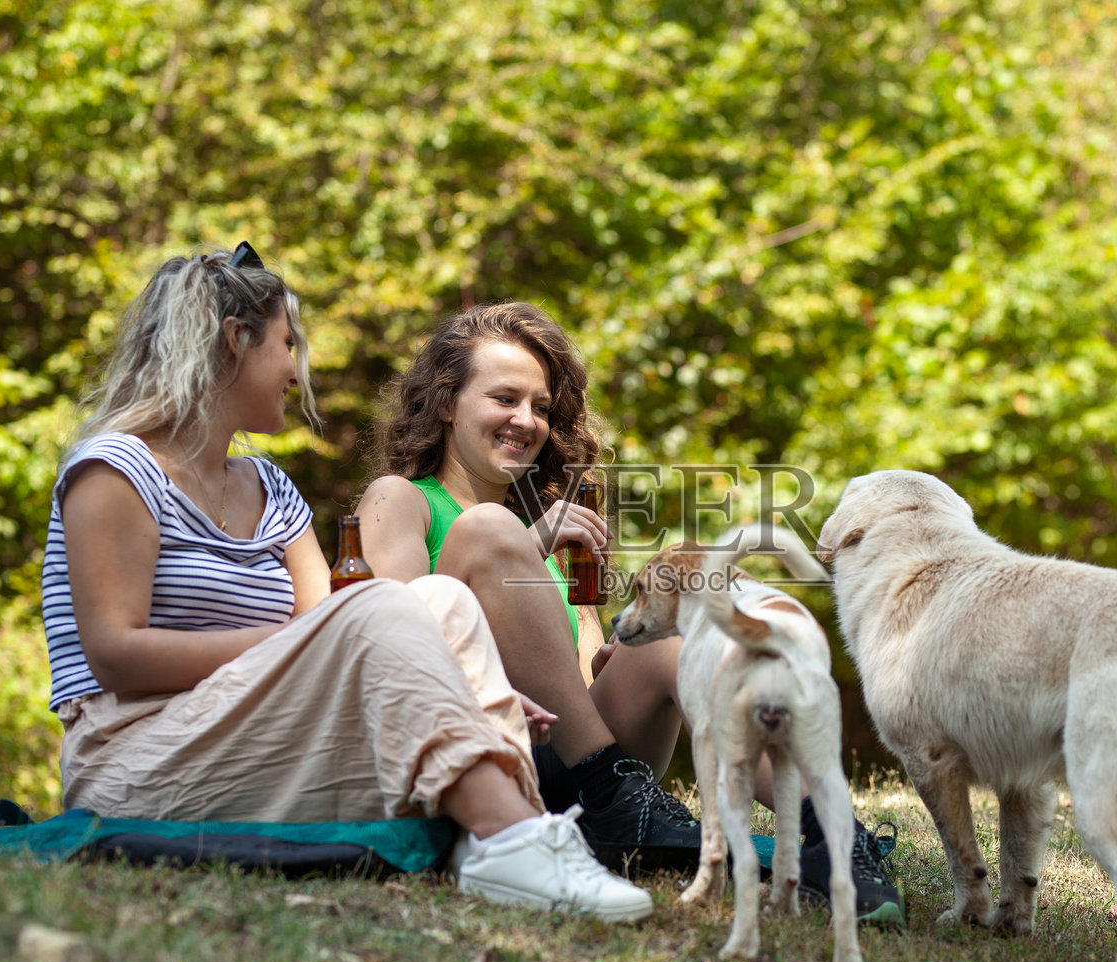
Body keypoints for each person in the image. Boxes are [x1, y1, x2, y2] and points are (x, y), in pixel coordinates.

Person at [40, 244, 651, 922]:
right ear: (233, 342)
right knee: (390, 607)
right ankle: (512, 838)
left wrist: (466, 681)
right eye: (286, 344)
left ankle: (505, 838)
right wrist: (313, 641)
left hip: (261, 737)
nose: (298, 373)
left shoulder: (270, 489)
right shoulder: (116, 469)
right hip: (134, 755)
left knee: (434, 599)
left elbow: (345, 633)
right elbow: (116, 655)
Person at [356, 301, 904, 923]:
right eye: (504, 398)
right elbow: (392, 632)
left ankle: (837, 836)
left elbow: (580, 680)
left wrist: (614, 659)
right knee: (488, 529)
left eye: (540, 406)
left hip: (574, 764)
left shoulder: (553, 530)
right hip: (479, 757)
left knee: (674, 638)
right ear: (446, 401)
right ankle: (616, 798)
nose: (526, 420)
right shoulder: (403, 499)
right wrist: (526, 544)